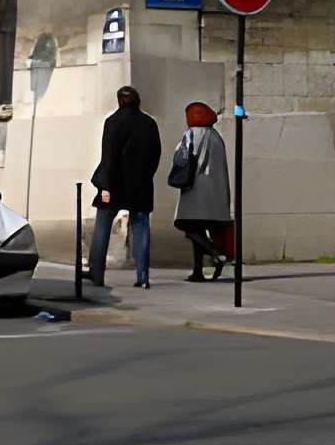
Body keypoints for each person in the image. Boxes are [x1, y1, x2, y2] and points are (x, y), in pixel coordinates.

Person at [90, 85, 161, 291]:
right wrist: (146, 176)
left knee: (102, 225)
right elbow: (155, 154)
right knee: (141, 229)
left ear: (119, 100)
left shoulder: (113, 122)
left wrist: (105, 185)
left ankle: (96, 274)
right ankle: (143, 276)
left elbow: (109, 156)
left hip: (115, 183)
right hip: (141, 184)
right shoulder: (149, 123)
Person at [170, 101, 232, 283]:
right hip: (215, 194)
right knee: (199, 230)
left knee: (186, 225)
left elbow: (180, 157)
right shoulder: (216, 137)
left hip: (195, 191)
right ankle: (197, 271)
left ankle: (215, 253)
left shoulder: (191, 135)